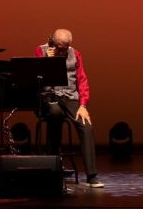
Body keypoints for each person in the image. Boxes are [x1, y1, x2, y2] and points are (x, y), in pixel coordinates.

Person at [35, 29, 104, 188]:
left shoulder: (76, 54)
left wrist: (83, 105)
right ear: (53, 41)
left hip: (70, 96)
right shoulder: (41, 51)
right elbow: (37, 77)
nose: (62, 51)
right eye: (59, 47)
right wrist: (48, 61)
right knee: (55, 114)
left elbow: (82, 79)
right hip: (49, 96)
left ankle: (92, 176)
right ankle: (53, 168)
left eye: (65, 48)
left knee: (86, 125)